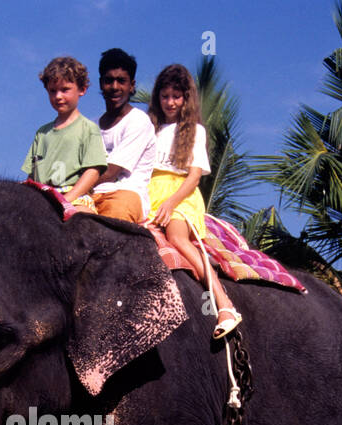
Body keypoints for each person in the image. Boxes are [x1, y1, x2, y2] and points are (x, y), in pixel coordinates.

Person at [147, 63, 242, 338]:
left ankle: (224, 305)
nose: (170, 102)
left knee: (177, 238)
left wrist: (171, 203)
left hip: (180, 193)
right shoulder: (150, 130)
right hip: (151, 191)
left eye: (176, 96)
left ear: (185, 99)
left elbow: (194, 177)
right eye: (165, 96)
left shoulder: (195, 131)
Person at [21, 56, 108, 208]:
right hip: (42, 198)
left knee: (82, 223)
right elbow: (31, 175)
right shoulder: (42, 133)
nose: (58, 96)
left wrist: (67, 199)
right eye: (52, 91)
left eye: (65, 89)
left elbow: (93, 171)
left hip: (76, 197)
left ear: (82, 90)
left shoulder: (88, 129)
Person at [89, 48, 156, 223]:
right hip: (90, 194)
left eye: (121, 81)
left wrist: (75, 187)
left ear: (131, 85)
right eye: (109, 81)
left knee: (111, 223)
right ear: (101, 83)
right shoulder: (90, 126)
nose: (115, 87)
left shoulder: (138, 121)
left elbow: (111, 172)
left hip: (125, 194)